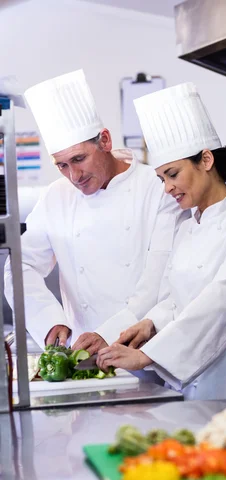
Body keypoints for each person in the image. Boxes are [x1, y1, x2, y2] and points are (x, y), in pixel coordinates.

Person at [97, 82, 226, 400]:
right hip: (188, 389)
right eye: (161, 179)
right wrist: (150, 323)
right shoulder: (186, 228)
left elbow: (221, 302)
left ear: (206, 160)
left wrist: (149, 355)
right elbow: (175, 300)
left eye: (172, 174)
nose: (167, 188)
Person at [4, 70, 187, 354]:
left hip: (149, 352)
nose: (73, 176)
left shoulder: (157, 188)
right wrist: (48, 322)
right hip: (84, 357)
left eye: (79, 159)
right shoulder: (55, 197)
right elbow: (20, 267)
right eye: (61, 165)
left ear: (105, 141)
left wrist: (109, 333)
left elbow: (161, 279)